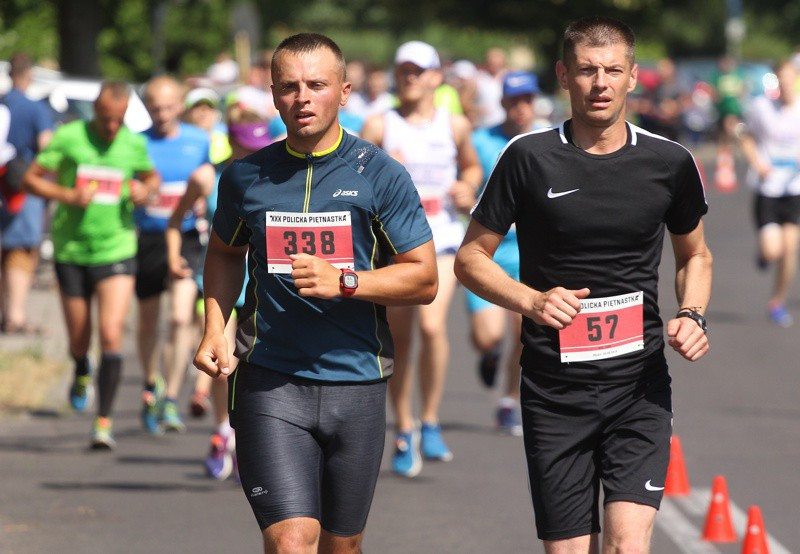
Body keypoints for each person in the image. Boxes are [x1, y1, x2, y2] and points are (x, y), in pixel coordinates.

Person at [455, 17, 712, 552]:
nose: (601, 83)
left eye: (613, 70)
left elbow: (696, 255)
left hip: (637, 385)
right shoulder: (527, 157)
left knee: (626, 545)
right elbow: (470, 259)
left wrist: (692, 313)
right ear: (563, 76)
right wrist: (531, 300)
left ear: (633, 77)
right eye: (587, 71)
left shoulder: (669, 163)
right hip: (554, 391)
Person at [194, 33, 437, 552]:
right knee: (291, 542)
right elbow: (223, 252)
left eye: (317, 85)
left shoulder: (382, 175)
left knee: (341, 546)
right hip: (270, 381)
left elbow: (423, 278)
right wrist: (215, 327)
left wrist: (347, 282)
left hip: (358, 383)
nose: (302, 97)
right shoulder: (244, 177)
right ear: (274, 94)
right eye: (289, 87)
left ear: (345, 91)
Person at [361, 40, 482, 477]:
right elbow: (352, 174)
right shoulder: (379, 125)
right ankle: (405, 428)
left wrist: (467, 187)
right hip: (394, 247)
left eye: (419, 70)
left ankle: (430, 418)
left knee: (432, 325)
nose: (410, 77)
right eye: (403, 70)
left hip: (444, 239)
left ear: (435, 76)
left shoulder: (455, 125)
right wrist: (378, 169)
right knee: (402, 340)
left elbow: (471, 168)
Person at [22, 81, 160, 449]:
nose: (112, 127)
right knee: (80, 338)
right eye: (105, 119)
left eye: (118, 120)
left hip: (117, 246)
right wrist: (67, 194)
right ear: (94, 112)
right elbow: (30, 178)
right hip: (72, 250)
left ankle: (104, 421)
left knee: (112, 333)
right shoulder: (69, 136)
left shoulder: (133, 142)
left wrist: (145, 190)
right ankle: (81, 367)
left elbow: (151, 176)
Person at [168, 101, 265, 480]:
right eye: (246, 149)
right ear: (230, 143)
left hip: (260, 284)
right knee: (225, 366)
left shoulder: (274, 176)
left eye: (259, 148)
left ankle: (241, 436)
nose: (254, 156)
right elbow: (175, 221)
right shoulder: (208, 178)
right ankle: (222, 432)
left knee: (252, 368)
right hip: (221, 281)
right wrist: (177, 256)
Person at [136, 77, 215, 435]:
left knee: (181, 319)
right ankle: (150, 383)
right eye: (155, 108)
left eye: (168, 107)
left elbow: (214, 178)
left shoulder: (199, 141)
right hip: (148, 237)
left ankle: (170, 395)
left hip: (186, 237)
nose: (162, 114)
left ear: (179, 105)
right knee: (150, 320)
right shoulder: (137, 143)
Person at [468, 71, 541, 435]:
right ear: (503, 104)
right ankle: (490, 354)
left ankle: (508, 401)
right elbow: (467, 177)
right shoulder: (481, 140)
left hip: (528, 252)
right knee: (488, 336)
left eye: (527, 100)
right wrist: (465, 193)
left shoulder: (546, 141)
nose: (521, 108)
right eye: (514, 101)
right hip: (486, 250)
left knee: (523, 331)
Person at [740, 60, 800, 327]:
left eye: (791, 80)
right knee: (774, 251)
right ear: (776, 81)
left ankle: (777, 302)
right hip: (768, 190)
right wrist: (758, 163)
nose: (786, 86)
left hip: (794, 190)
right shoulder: (762, 107)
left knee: (790, 251)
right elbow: (746, 137)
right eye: (782, 81)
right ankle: (764, 255)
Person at [0, 52, 54, 334]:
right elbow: (46, 148)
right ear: (29, 75)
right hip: (23, 188)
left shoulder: (1, 103)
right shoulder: (35, 109)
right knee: (20, 251)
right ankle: (15, 316)